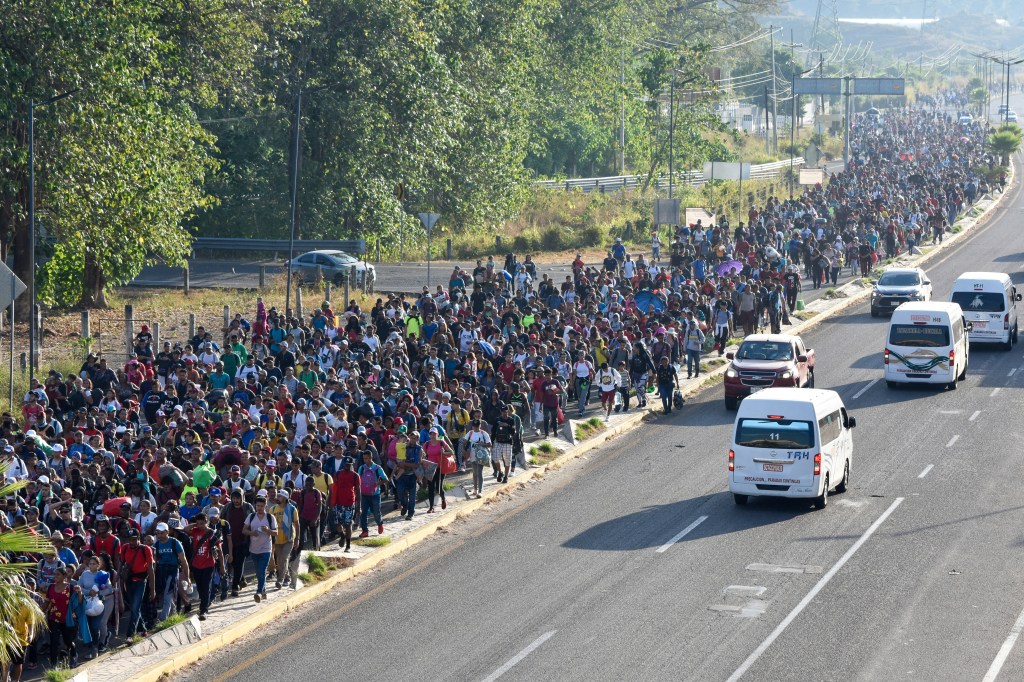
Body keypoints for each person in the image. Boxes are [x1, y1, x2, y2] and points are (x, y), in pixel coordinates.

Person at [119, 529, 155, 638]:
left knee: (135, 608)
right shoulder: (125, 548)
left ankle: (130, 634)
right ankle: (143, 629)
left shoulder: (146, 549)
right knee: (135, 608)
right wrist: (118, 575)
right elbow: (121, 563)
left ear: (139, 539)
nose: (132, 542)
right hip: (129, 581)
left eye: (134, 540)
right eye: (130, 540)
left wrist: (152, 589)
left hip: (141, 581)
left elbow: (151, 570)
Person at [242, 490, 276, 603]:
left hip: (266, 549)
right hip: (254, 549)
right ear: (255, 506)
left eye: (262, 506)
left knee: (262, 571)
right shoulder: (251, 517)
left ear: (266, 506)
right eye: (257, 505)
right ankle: (264, 591)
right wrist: (252, 533)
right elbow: (244, 530)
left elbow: (276, 533)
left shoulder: (270, 518)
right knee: (259, 572)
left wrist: (268, 530)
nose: (259, 508)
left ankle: (258, 592)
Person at [187, 512, 222, 620]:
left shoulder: (212, 534)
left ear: (206, 522)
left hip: (209, 564)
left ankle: (203, 610)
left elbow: (219, 551)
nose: (200, 525)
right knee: (200, 587)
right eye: (198, 523)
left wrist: (222, 567)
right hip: (196, 564)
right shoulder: (195, 531)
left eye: (202, 523)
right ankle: (204, 602)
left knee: (206, 586)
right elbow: (185, 529)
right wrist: (194, 525)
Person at [153, 521, 190, 621]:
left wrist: (187, 577)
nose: (159, 535)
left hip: (173, 570)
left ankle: (163, 619)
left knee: (168, 594)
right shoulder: (156, 545)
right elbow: (155, 562)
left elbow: (183, 560)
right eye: (157, 533)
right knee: (164, 594)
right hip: (161, 571)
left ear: (167, 532)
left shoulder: (175, 543)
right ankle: (174, 614)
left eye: (161, 533)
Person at [42, 567, 77, 668]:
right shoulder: (51, 587)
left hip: (67, 618)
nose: (55, 576)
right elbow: (47, 602)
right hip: (53, 618)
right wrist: (39, 613)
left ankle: (74, 655)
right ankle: (53, 665)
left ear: (64, 576)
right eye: (55, 574)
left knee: (68, 640)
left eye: (58, 574)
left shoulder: (70, 587)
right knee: (54, 641)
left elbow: (77, 603)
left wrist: (79, 593)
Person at [268, 490, 300, 589]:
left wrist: (297, 539)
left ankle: (280, 580)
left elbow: (297, 524)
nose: (278, 498)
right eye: (278, 496)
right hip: (277, 539)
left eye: (280, 496)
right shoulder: (273, 509)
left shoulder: (292, 509)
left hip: (289, 538)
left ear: (285, 498)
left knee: (284, 558)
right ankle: (287, 577)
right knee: (279, 560)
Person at [328, 456, 360, 552]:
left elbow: (358, 491)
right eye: (345, 464)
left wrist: (359, 506)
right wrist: (332, 503)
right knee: (338, 524)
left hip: (350, 503)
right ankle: (342, 536)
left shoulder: (355, 476)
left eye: (349, 465)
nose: (347, 466)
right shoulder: (337, 474)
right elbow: (334, 489)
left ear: (351, 465)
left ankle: (348, 545)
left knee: (348, 524)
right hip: (338, 503)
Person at [357, 450, 387, 537]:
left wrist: (377, 484)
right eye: (364, 458)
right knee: (364, 513)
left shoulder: (378, 468)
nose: (365, 460)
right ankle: (365, 531)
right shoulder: (361, 468)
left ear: (371, 457)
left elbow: (386, 479)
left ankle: (380, 524)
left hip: (375, 494)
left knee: (376, 512)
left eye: (367, 458)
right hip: (364, 494)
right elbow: (358, 480)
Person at [423, 428, 453, 513]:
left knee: (438, 487)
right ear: (429, 435)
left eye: (434, 434)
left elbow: (451, 452)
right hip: (430, 468)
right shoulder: (427, 444)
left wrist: (443, 453)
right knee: (430, 487)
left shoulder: (441, 442)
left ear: (437, 434)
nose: (433, 436)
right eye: (431, 434)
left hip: (440, 467)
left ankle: (443, 498)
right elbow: (422, 454)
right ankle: (431, 507)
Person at [466, 420, 491, 498]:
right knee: (474, 473)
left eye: (477, 426)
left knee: (479, 473)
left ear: (480, 426)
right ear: (472, 426)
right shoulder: (470, 433)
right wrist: (464, 450)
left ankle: (480, 491)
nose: (476, 428)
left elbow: (489, 444)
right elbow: (464, 441)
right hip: (473, 455)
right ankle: (475, 490)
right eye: (475, 426)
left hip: (481, 456)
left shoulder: (484, 433)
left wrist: (482, 444)